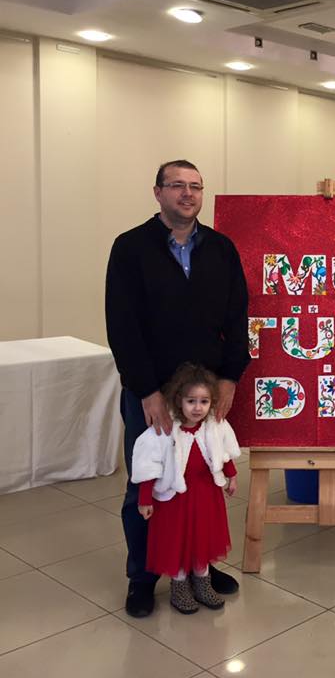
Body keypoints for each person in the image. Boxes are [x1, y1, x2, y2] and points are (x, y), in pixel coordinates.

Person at [106, 160, 249, 618]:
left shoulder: (221, 249)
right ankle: (144, 576)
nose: (188, 194)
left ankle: (198, 565)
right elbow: (122, 326)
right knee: (148, 483)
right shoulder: (131, 248)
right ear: (158, 192)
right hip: (152, 391)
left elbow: (237, 318)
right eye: (177, 185)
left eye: (195, 186)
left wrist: (229, 378)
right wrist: (147, 390)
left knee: (202, 483)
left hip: (203, 396)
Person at [132, 363, 240, 614]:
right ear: (179, 400)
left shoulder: (214, 425)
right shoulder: (164, 430)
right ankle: (179, 585)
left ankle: (202, 581)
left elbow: (224, 452)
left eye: (204, 401)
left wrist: (231, 476)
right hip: (175, 501)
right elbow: (149, 466)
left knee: (203, 538)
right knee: (177, 541)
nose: (198, 408)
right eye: (191, 401)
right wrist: (145, 498)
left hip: (205, 496)